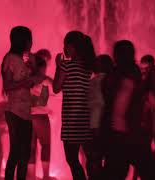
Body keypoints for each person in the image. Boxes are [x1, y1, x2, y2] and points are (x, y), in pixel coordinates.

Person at [102, 40, 155, 180]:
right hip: (129, 133)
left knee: (115, 172)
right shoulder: (131, 73)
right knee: (148, 171)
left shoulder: (115, 74)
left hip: (118, 133)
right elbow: (125, 101)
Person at [1, 26, 45, 180]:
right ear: (23, 41)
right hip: (14, 111)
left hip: (26, 111)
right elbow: (7, 86)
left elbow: (37, 77)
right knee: (16, 151)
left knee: (25, 152)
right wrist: (25, 83)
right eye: (29, 40)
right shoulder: (10, 59)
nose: (31, 43)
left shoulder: (28, 58)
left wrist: (33, 69)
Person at [53, 31, 95, 180]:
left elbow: (56, 88)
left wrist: (58, 65)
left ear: (73, 47)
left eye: (66, 46)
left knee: (72, 158)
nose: (64, 49)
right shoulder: (88, 68)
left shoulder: (66, 66)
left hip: (72, 120)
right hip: (85, 118)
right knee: (89, 158)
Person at [88, 54, 114, 179]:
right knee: (109, 157)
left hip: (91, 124)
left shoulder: (91, 82)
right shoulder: (112, 82)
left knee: (94, 158)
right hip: (107, 124)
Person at [28, 56, 54, 180]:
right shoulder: (45, 80)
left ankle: (31, 176)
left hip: (28, 117)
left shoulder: (26, 80)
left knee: (31, 148)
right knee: (45, 146)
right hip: (41, 117)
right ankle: (45, 176)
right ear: (42, 68)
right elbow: (57, 88)